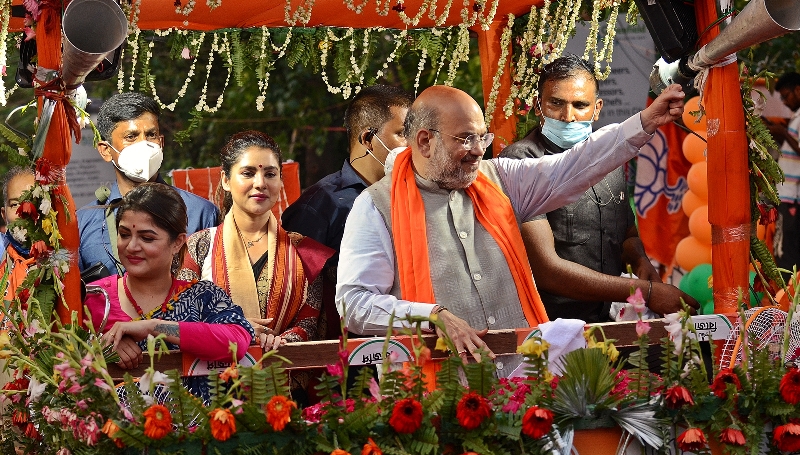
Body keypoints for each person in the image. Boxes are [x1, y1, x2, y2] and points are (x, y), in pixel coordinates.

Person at [336, 83, 689, 375]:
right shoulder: (375, 206)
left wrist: (643, 122)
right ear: (425, 141)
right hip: (440, 395)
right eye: (465, 139)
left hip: (526, 379)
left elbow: (573, 166)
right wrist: (431, 316)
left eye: (481, 138)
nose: (478, 151)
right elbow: (353, 302)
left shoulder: (500, 179)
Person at [500, 55, 696, 322]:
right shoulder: (521, 162)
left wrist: (640, 261)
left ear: (597, 108)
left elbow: (626, 233)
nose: (568, 117)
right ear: (538, 106)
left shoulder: (609, 159)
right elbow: (547, 270)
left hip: (605, 323)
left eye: (580, 105)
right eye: (556, 103)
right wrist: (647, 291)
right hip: (546, 329)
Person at [83, 183, 254, 402]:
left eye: (147, 238)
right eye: (124, 234)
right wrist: (101, 348)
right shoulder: (95, 298)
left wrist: (153, 327)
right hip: (115, 432)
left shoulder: (201, 298)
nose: (132, 246)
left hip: (197, 431)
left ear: (178, 243)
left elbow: (236, 342)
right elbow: (64, 368)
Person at [179, 131, 334, 350]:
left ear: (280, 180)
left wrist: (281, 341)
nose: (260, 183)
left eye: (270, 174)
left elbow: (308, 322)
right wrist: (230, 327)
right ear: (225, 180)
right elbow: (182, 314)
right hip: (212, 376)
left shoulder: (305, 252)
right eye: (248, 173)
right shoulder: (200, 246)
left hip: (280, 372)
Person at [282, 84, 413, 339]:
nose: (415, 144)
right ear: (367, 139)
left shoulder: (418, 195)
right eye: (402, 133)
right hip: (346, 358)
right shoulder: (319, 207)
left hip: (411, 344)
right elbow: (296, 295)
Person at [77, 92, 219, 276]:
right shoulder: (83, 223)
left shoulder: (200, 212)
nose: (144, 144)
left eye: (151, 135)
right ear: (105, 150)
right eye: (131, 136)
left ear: (161, 142)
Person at [768, 72, 800, 276]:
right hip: (791, 196)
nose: (785, 102)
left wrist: (784, 134)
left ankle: (788, 299)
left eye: (786, 95)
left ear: (798, 90)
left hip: (791, 197)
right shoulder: (796, 117)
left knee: (785, 253)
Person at [1, 167, 36, 304]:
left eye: (32, 201)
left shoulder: (69, 257)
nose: (24, 211)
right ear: (4, 215)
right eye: (15, 204)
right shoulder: (2, 255)